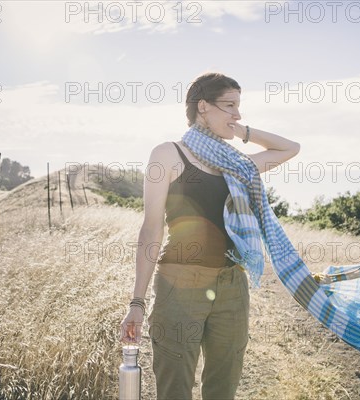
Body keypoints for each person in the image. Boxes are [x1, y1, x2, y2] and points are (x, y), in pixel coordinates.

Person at [119, 72, 300, 400]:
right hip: (179, 285)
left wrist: (242, 131)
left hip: (232, 286)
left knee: (223, 387)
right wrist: (137, 302)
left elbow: (290, 148)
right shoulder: (168, 154)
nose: (237, 114)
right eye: (229, 105)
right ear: (203, 106)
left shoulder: (236, 164)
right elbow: (150, 229)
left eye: (239, 107)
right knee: (175, 387)